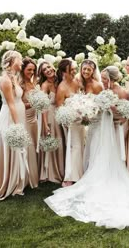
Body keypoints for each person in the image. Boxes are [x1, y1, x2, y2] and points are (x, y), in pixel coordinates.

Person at [44, 65, 129, 230]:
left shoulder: (118, 91)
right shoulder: (102, 88)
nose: (102, 80)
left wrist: (112, 110)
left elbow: (123, 110)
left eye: (104, 78)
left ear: (111, 78)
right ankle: (89, 171)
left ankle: (99, 175)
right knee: (95, 149)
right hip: (99, 123)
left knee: (103, 150)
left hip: (107, 124)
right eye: (101, 77)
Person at [0, 50, 28, 200]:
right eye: (19, 60)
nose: (22, 63)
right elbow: (11, 104)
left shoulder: (15, 78)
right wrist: (17, 125)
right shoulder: (5, 80)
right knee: (10, 148)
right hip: (10, 118)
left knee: (17, 149)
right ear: (12, 61)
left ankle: (17, 180)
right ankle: (7, 182)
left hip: (18, 115)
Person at [56, 59, 85, 187]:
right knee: (74, 147)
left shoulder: (76, 81)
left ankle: (81, 172)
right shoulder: (61, 88)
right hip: (71, 122)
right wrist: (68, 120)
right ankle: (71, 176)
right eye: (71, 70)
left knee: (81, 146)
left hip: (81, 120)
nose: (74, 71)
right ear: (64, 72)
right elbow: (60, 108)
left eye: (74, 69)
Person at [37, 61, 64, 183]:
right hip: (50, 116)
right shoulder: (45, 85)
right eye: (44, 70)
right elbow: (43, 106)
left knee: (62, 141)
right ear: (43, 74)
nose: (47, 70)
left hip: (62, 114)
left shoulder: (60, 80)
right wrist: (45, 124)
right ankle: (52, 171)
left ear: (52, 67)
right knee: (54, 140)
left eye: (48, 67)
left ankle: (63, 168)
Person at [78, 59, 103, 171]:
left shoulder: (97, 85)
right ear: (81, 69)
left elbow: (102, 105)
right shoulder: (79, 83)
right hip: (84, 117)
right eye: (84, 69)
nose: (86, 71)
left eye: (89, 69)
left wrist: (90, 113)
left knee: (94, 142)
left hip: (96, 119)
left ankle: (95, 168)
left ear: (93, 71)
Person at [19, 57, 39, 188]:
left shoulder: (33, 83)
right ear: (22, 69)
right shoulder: (20, 85)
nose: (31, 72)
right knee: (27, 147)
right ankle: (25, 177)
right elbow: (18, 105)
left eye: (33, 70)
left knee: (33, 145)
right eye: (29, 69)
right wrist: (32, 103)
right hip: (25, 118)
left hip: (34, 119)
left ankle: (33, 174)